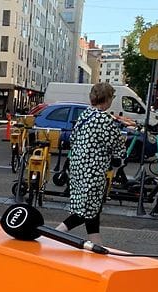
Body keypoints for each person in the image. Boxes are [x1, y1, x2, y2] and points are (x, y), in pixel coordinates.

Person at [54, 83, 127, 247]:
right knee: (85, 211)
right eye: (112, 97)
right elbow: (118, 146)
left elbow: (73, 139)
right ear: (107, 99)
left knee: (91, 209)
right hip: (93, 171)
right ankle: (55, 234)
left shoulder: (84, 115)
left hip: (78, 169)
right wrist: (119, 159)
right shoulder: (104, 120)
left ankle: (97, 245)